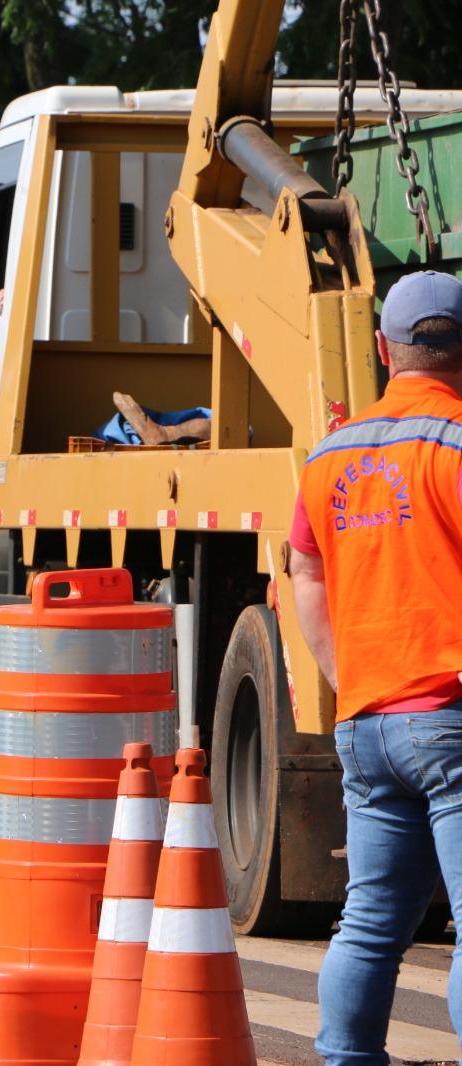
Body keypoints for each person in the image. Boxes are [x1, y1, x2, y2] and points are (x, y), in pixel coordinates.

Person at [289, 270, 462, 1063]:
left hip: (366, 722)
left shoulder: (330, 455)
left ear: (386, 351)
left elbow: (307, 574)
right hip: (451, 719)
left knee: (369, 922)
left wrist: (348, 669)